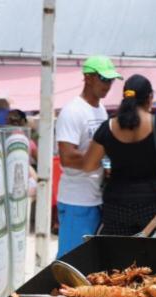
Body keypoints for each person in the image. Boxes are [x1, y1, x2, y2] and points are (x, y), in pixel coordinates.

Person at [82, 74, 156, 235]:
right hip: (153, 206)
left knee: (118, 256)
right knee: (150, 256)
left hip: (117, 206)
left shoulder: (108, 127)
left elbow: (89, 165)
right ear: (150, 97)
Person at [55, 55, 122, 256]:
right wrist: (97, 160)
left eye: (111, 80)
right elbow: (67, 157)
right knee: (71, 261)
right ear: (88, 77)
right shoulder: (72, 111)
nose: (108, 85)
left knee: (87, 262)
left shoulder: (100, 110)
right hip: (77, 200)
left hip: (95, 198)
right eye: (104, 79)